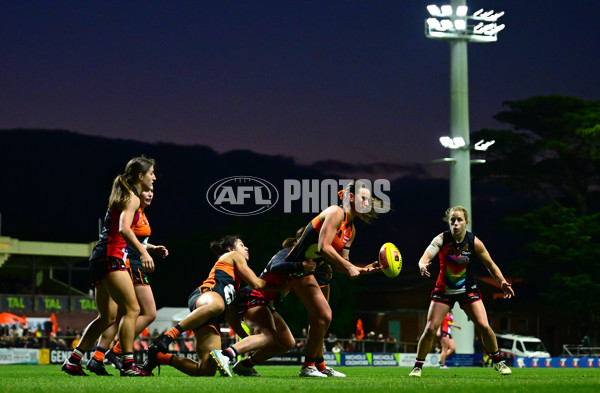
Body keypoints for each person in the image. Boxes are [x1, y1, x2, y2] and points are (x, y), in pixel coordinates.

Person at [61, 156, 156, 377]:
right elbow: (124, 229)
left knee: (107, 317)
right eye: (151, 172)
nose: (154, 177)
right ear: (140, 176)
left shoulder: (124, 194)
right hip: (112, 257)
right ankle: (129, 365)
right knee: (133, 310)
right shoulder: (132, 197)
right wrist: (143, 252)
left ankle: (74, 361)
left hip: (100, 257)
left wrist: (146, 246)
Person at [144, 235, 282, 377]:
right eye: (241, 244)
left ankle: (159, 357)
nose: (246, 248)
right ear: (231, 248)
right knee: (218, 305)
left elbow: (232, 318)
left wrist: (249, 341)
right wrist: (281, 286)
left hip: (211, 311)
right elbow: (256, 284)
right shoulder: (233, 255)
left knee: (206, 370)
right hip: (205, 295)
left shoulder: (235, 284)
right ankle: (167, 336)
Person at [286, 180, 382, 377]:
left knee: (320, 320)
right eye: (364, 198)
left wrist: (364, 270)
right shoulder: (336, 212)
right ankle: (308, 367)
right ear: (352, 197)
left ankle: (319, 365)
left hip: (320, 268)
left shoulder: (351, 230)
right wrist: (348, 267)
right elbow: (324, 247)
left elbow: (342, 264)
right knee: (324, 316)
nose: (368, 202)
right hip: (300, 264)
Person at [408, 206, 515, 377]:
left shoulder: (474, 242)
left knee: (484, 326)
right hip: (444, 290)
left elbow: (490, 265)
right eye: (452, 221)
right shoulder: (441, 239)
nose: (455, 223)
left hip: (468, 290)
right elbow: (425, 257)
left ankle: (498, 362)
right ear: (449, 223)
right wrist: (422, 265)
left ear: (466, 222)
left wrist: (502, 281)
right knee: (430, 329)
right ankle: (417, 367)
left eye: (459, 220)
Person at [86, 187, 169, 375]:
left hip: (125, 260)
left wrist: (152, 247)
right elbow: (124, 234)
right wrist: (144, 252)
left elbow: (134, 236)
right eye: (146, 190)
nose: (150, 194)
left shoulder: (141, 213)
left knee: (121, 315)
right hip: (130, 262)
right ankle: (118, 352)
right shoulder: (133, 208)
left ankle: (98, 357)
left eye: (152, 191)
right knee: (148, 313)